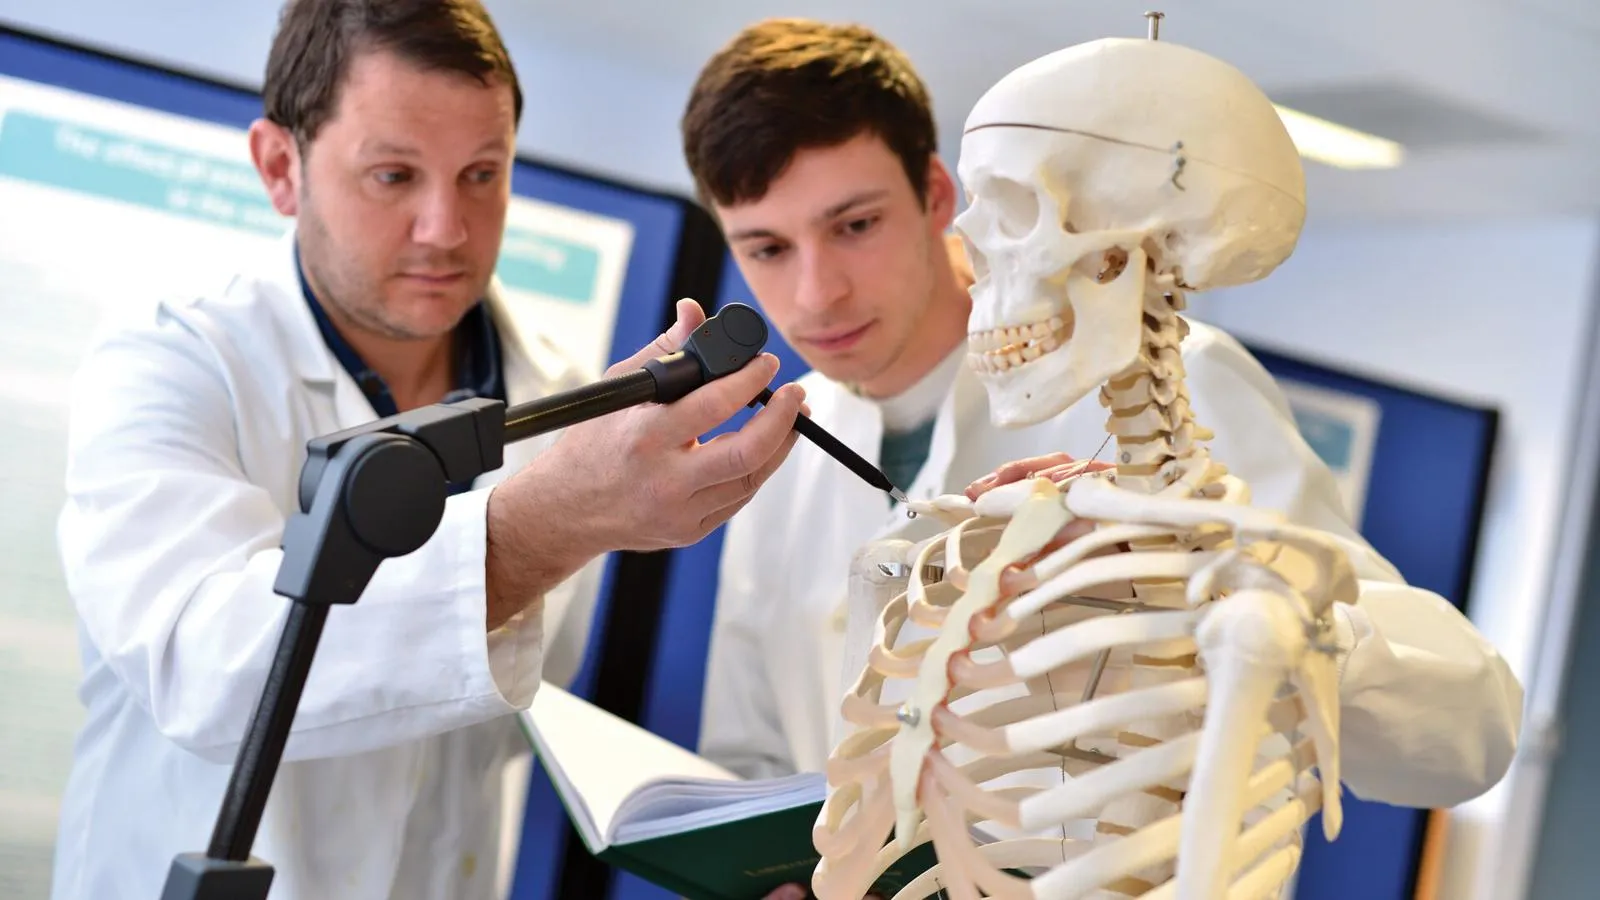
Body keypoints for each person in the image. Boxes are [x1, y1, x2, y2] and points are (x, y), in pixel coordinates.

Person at [681, 19, 1522, 895]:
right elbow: (753, 759)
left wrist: (1232, 593)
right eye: (767, 249)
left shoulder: (1173, 382)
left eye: (854, 225)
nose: (817, 292)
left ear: (936, 196)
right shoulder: (783, 452)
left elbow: (1473, 724)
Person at [46, 2, 806, 899]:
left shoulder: (566, 396)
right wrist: (536, 530)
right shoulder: (174, 363)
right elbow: (204, 674)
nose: (446, 227)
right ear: (280, 167)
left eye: (482, 173)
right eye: (394, 175)